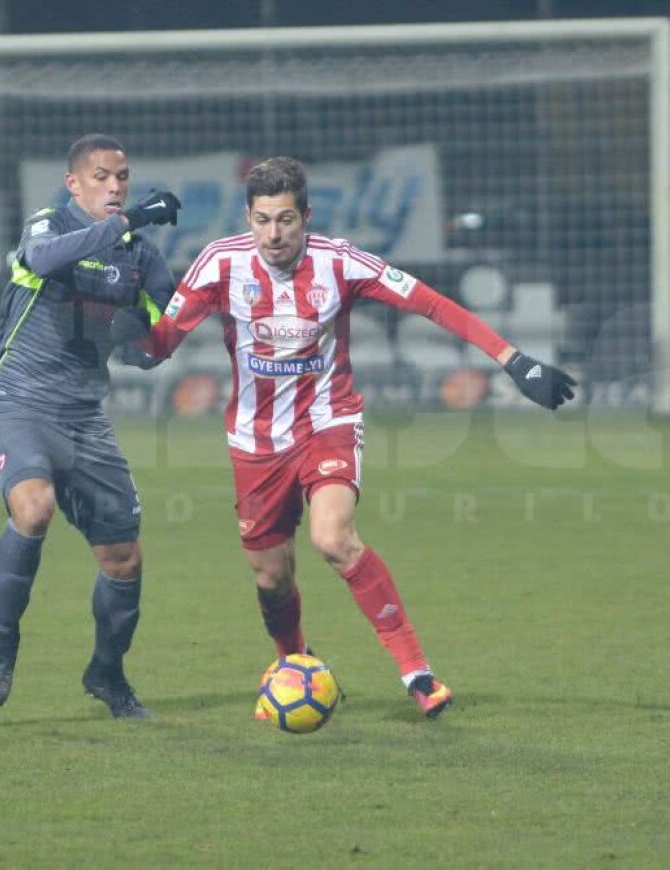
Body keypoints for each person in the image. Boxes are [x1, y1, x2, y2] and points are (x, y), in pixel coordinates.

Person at [111, 156, 573, 719]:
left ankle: (417, 672)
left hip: (327, 423)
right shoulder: (219, 264)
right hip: (255, 441)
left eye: (285, 220)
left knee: (333, 538)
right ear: (248, 218)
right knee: (271, 577)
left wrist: (512, 359)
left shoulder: (340, 262)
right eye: (262, 220)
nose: (273, 234)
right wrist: (132, 336)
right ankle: (295, 663)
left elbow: (430, 303)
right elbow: (160, 345)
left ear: (305, 217)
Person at [0, 133, 181, 718]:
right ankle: (4, 639)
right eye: (101, 177)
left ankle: (107, 673)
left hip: (85, 419)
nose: (115, 187)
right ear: (73, 183)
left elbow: (167, 327)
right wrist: (130, 220)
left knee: (124, 559)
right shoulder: (49, 226)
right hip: (18, 403)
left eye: (123, 178)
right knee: (33, 508)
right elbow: (41, 262)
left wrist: (145, 342)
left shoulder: (140, 256)